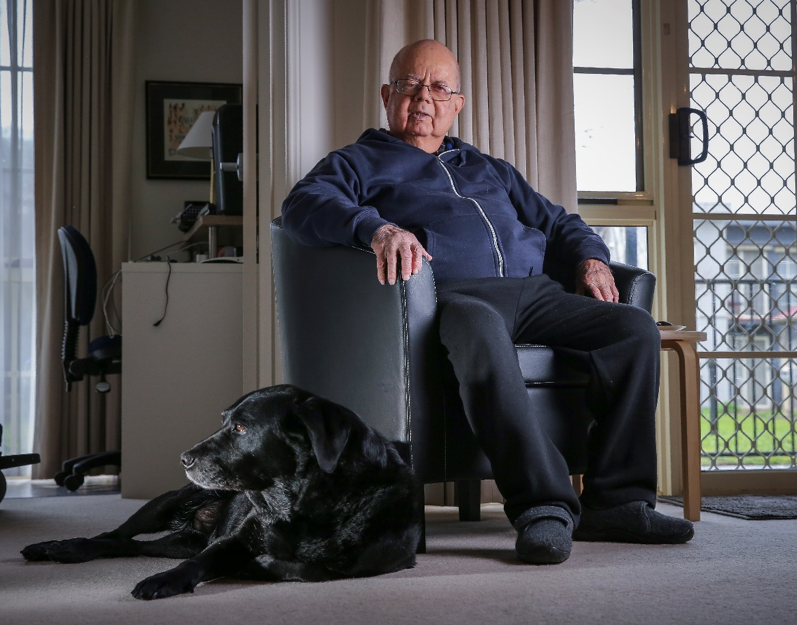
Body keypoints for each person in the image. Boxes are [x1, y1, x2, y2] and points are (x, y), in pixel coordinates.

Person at [282, 39, 693, 565]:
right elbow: (302, 206)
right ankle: (543, 506)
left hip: (536, 295)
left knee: (631, 328)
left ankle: (617, 501)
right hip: (453, 300)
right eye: (408, 85)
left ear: (457, 104)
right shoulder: (358, 162)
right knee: (481, 329)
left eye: (438, 88)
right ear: (387, 95)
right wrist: (377, 228)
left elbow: (558, 222)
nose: (423, 98)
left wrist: (590, 257)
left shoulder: (489, 169)